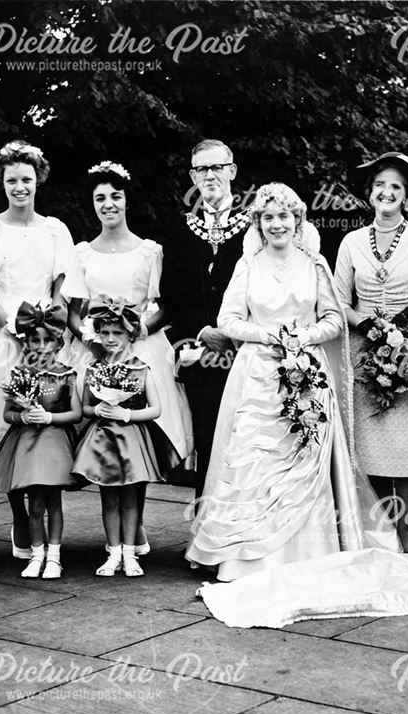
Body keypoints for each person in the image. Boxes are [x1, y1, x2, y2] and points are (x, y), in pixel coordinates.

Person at [186, 183, 408, 627]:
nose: (277, 224)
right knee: (252, 462)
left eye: (285, 216)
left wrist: (301, 339)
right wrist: (269, 337)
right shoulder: (247, 265)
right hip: (258, 379)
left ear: (298, 220)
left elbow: (333, 319)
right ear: (258, 224)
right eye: (268, 218)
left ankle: (312, 550)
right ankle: (245, 558)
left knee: (305, 463)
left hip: (306, 373)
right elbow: (228, 321)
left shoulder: (314, 266)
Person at [61, 160, 193, 555]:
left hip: (140, 350)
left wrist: (140, 330)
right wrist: (92, 339)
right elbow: (72, 308)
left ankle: (135, 528)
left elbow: (165, 306)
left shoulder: (149, 251)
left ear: (126, 200)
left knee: (140, 436)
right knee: (104, 433)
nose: (108, 204)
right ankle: (114, 534)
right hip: (97, 350)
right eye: (100, 198)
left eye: (115, 196)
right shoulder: (83, 253)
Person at [0, 140, 75, 559]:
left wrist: (47, 327)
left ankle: (46, 510)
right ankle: (19, 516)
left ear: (38, 180)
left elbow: (63, 289)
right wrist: (12, 324)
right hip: (3, 338)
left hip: (44, 340)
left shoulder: (54, 229)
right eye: (12, 180)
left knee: (43, 427)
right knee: (9, 426)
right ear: (2, 182)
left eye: (27, 179)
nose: (20, 187)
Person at [333, 152, 408, 553]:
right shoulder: (351, 242)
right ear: (370, 194)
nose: (387, 192)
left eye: (396, 187)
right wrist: (362, 321)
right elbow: (336, 301)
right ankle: (374, 529)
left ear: (406, 196)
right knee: (368, 446)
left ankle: (404, 530)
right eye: (380, 185)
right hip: (364, 355)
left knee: (406, 448)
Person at [159, 140, 252, 500]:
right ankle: (207, 529)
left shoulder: (255, 226)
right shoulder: (180, 230)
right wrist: (202, 330)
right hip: (202, 352)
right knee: (208, 438)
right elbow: (172, 292)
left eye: (217, 167)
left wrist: (235, 331)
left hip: (246, 351)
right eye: (201, 169)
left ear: (232, 171)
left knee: (245, 440)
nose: (209, 175)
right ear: (192, 176)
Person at [72, 299, 180, 577]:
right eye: (105, 333)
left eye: (117, 333)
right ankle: (113, 552)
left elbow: (156, 409)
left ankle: (130, 554)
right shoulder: (95, 369)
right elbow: (84, 406)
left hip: (132, 440)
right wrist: (96, 409)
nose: (110, 339)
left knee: (130, 500)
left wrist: (127, 415)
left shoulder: (141, 369)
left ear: (130, 335)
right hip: (103, 441)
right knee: (108, 500)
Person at [0, 303, 82, 579]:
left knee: (54, 502)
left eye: (48, 340)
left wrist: (49, 417)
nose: (41, 346)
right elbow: (7, 414)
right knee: (35, 504)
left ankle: (55, 556)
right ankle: (37, 555)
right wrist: (23, 417)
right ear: (26, 343)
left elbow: (75, 414)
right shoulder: (20, 375)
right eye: (35, 340)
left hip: (54, 445)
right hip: (27, 445)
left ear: (58, 342)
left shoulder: (66, 374)